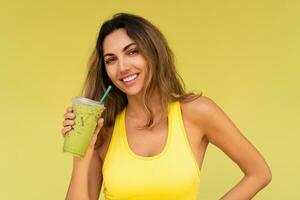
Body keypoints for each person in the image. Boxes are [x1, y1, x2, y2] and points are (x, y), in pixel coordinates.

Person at [61, 13, 272, 200]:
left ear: (153, 52)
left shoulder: (196, 112)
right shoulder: (104, 129)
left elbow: (259, 173)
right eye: (111, 60)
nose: (123, 67)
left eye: (132, 52)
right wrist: (82, 151)